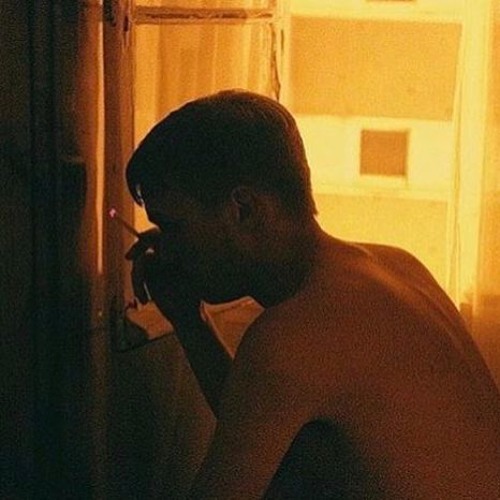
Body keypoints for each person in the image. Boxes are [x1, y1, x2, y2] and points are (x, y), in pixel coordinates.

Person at [125, 90, 500, 499]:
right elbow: (277, 444)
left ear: (244, 209)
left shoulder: (295, 335)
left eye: (174, 226)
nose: (168, 251)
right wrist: (188, 320)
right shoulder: (398, 266)